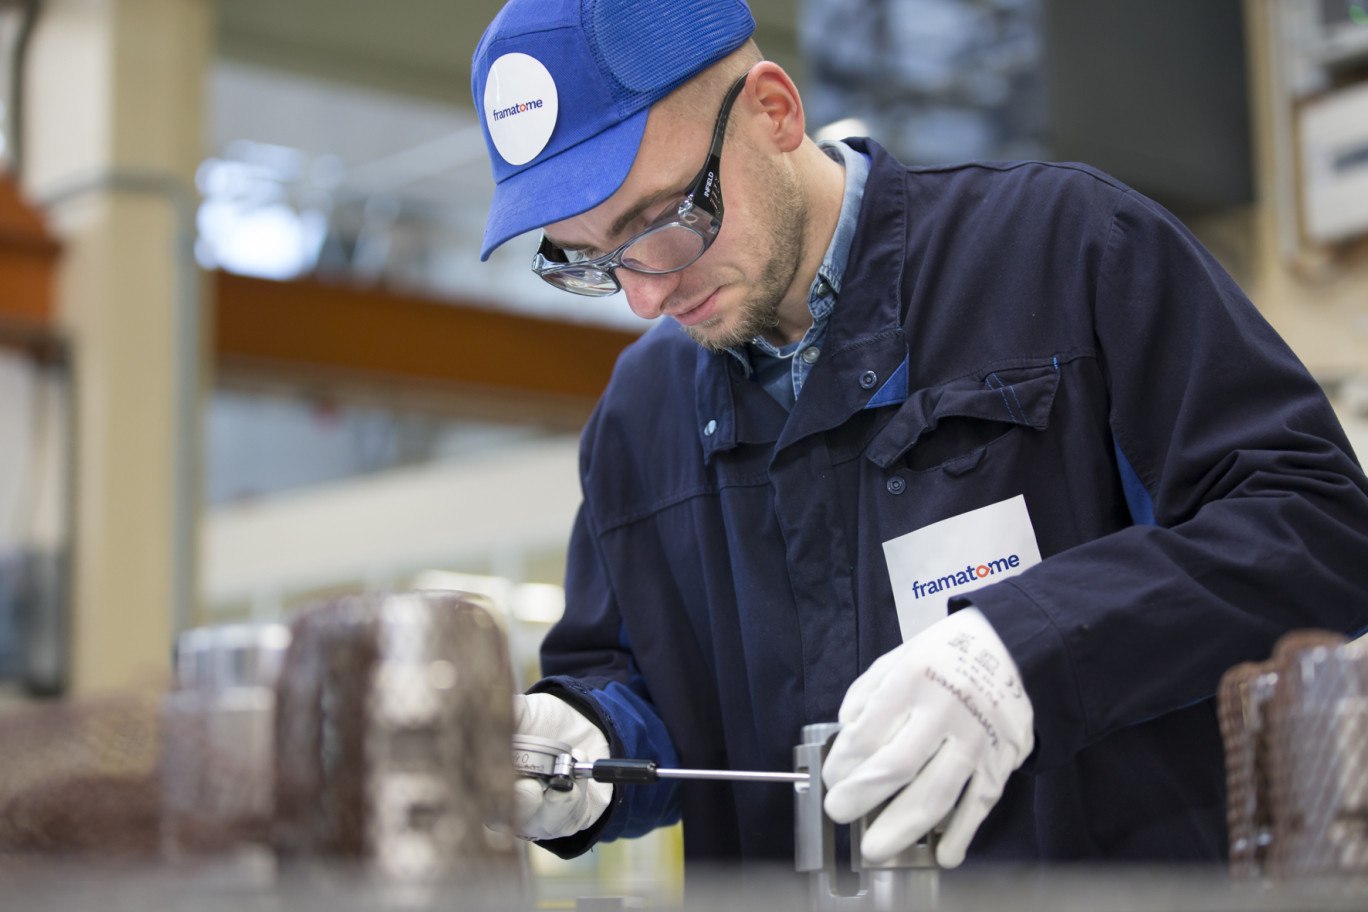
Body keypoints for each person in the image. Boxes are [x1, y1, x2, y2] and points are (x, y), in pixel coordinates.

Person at [471, 0, 1368, 872]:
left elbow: (1315, 527)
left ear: (775, 112)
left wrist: (1027, 650)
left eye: (663, 223)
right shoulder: (641, 414)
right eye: (587, 259)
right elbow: (647, 689)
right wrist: (585, 742)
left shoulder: (1069, 250)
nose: (645, 297)